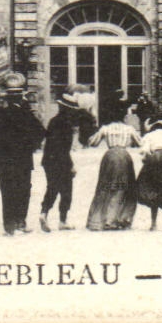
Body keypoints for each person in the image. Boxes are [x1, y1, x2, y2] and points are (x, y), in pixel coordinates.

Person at [0, 72, 47, 236]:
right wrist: (32, 146)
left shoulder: (0, 114)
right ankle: (21, 221)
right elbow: (42, 132)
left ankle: (10, 225)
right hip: (23, 159)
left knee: (7, 191)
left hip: (3, 159)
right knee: (23, 189)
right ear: (21, 97)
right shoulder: (26, 114)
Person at [39, 89, 97, 232]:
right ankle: (62, 220)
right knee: (66, 191)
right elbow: (63, 148)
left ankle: (44, 213)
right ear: (69, 110)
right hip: (61, 160)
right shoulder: (66, 125)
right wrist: (70, 165)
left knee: (52, 187)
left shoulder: (53, 121)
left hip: (48, 160)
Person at [86, 116, 141, 230]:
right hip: (124, 156)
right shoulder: (129, 129)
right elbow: (141, 143)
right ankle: (121, 219)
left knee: (104, 187)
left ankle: (100, 220)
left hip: (109, 156)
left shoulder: (105, 128)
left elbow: (92, 142)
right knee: (125, 187)